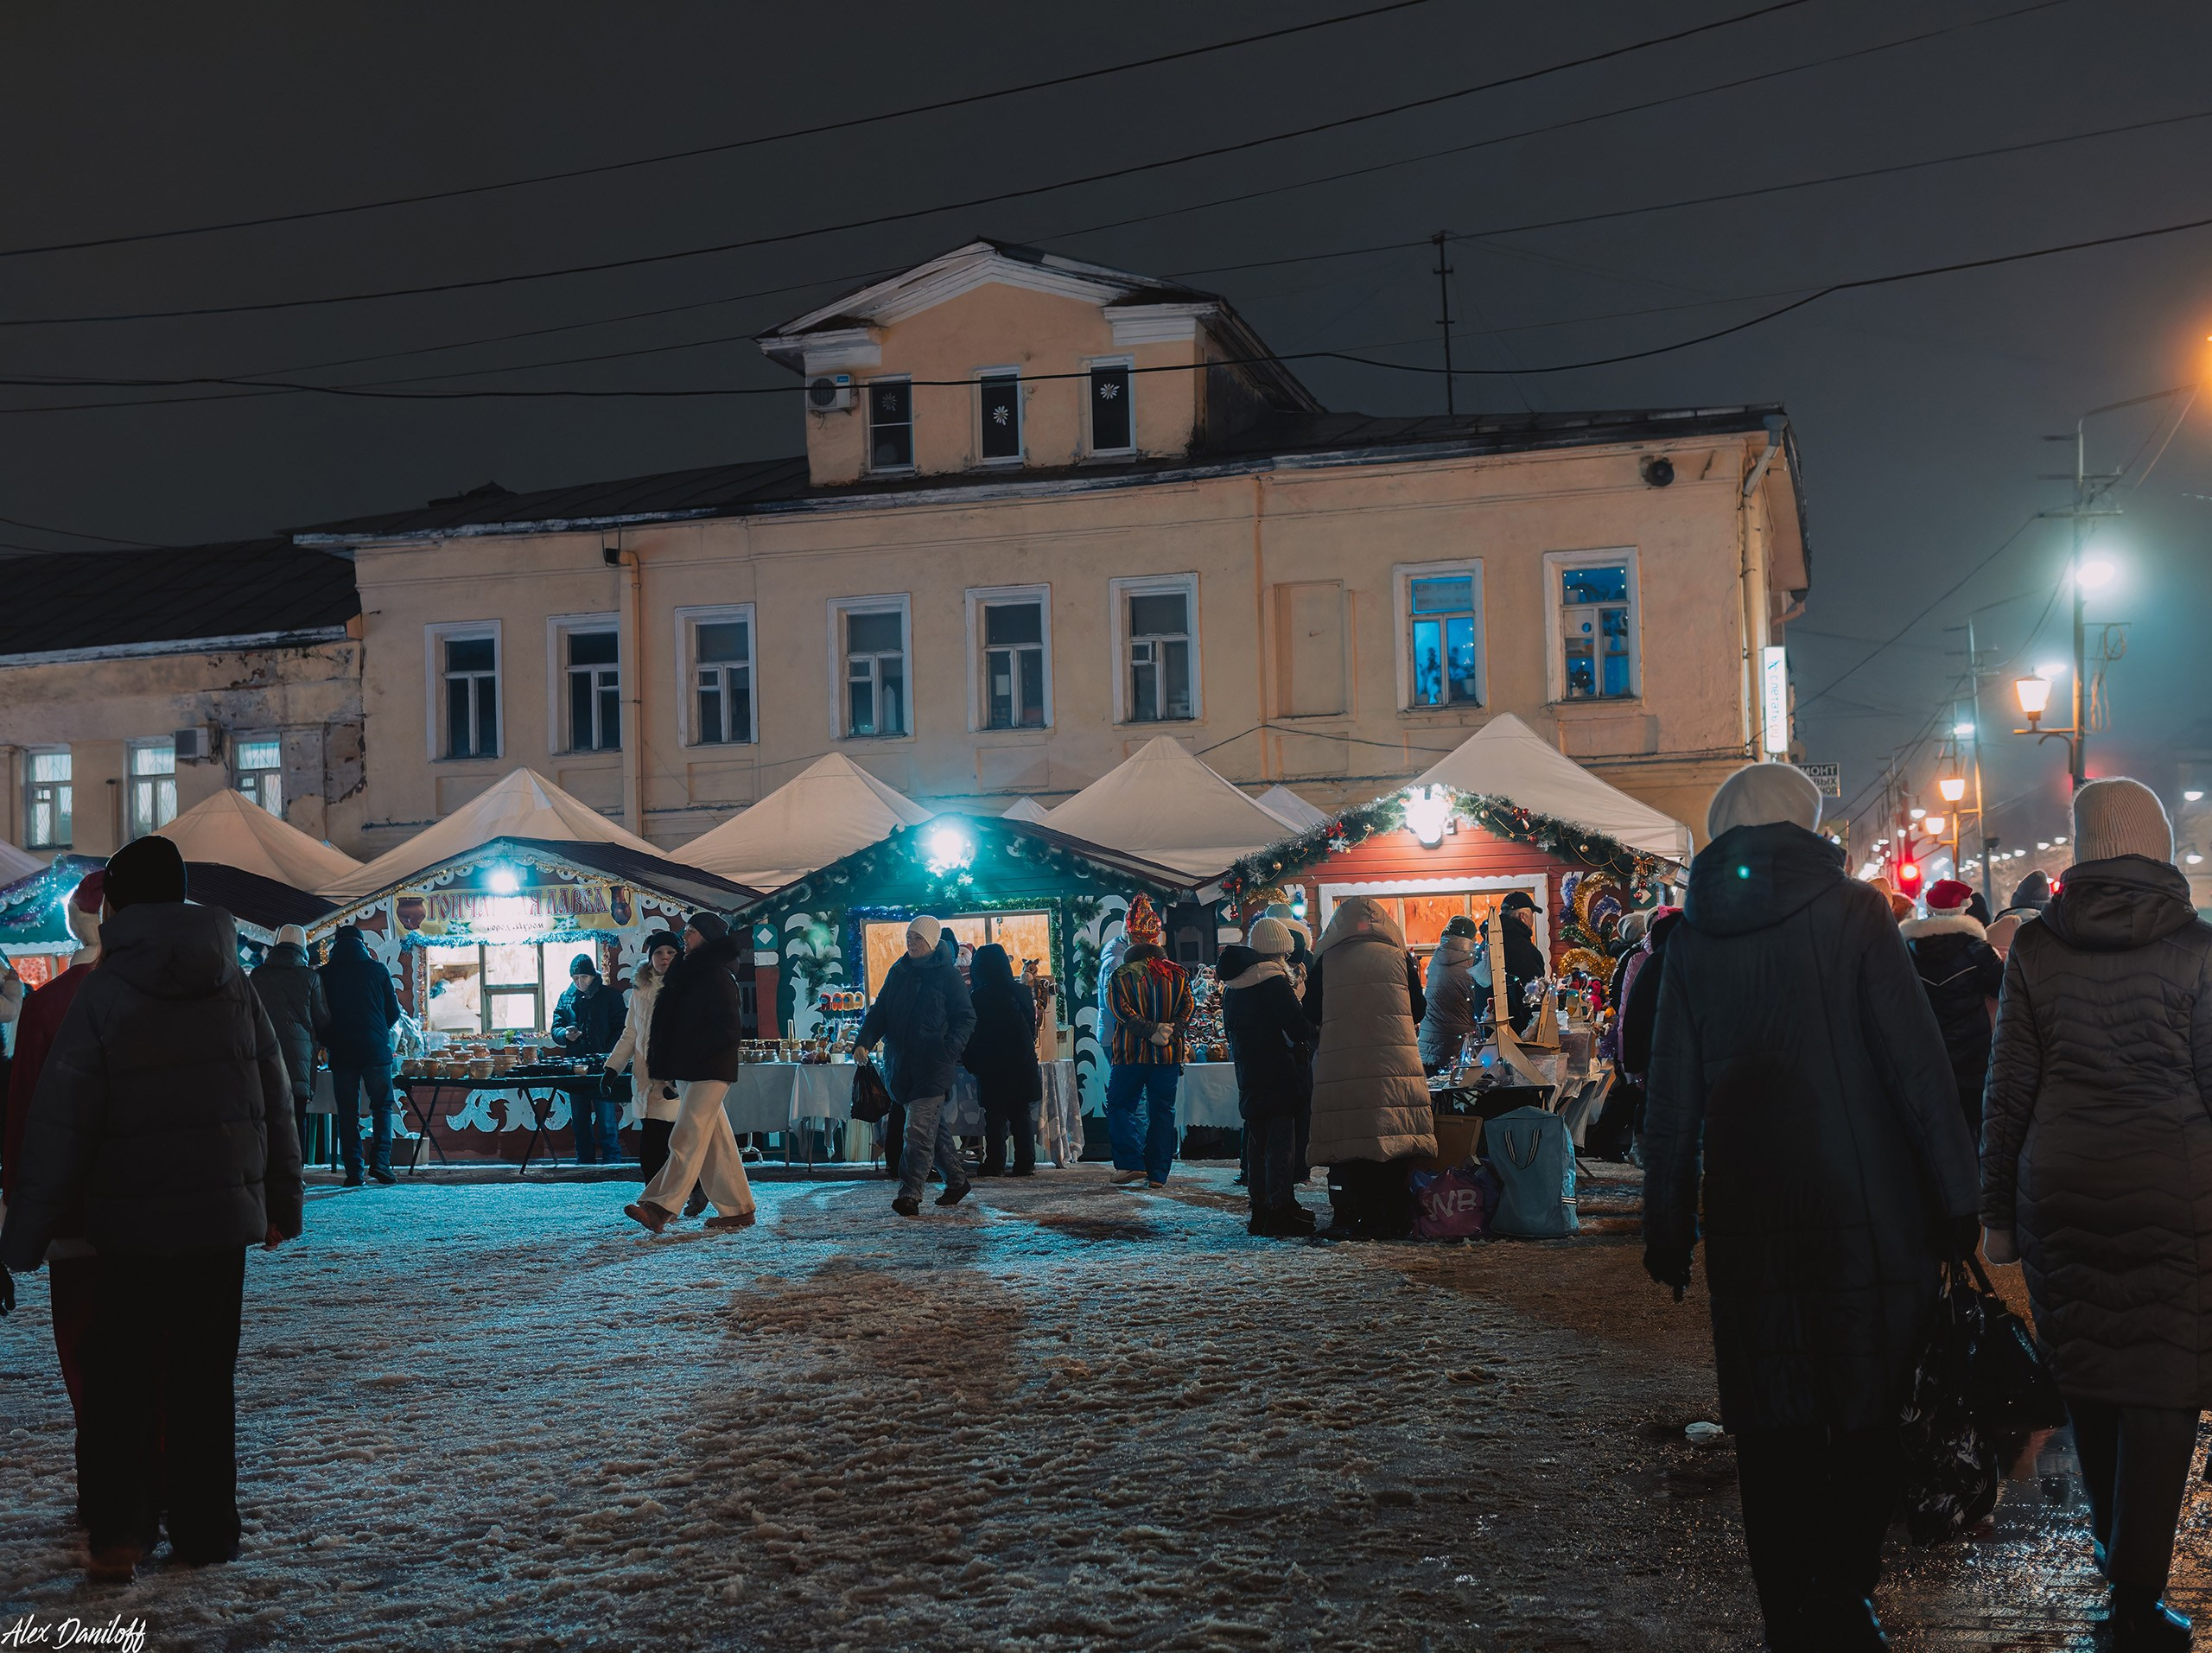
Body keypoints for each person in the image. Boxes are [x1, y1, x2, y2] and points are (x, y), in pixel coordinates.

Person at [1642, 762, 1978, 1651]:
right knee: (1864, 1401)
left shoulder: (1691, 938)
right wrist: (1955, 1194)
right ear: (1804, 822)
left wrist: (1668, 1224)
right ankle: (1843, 1591)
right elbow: (1917, 1069)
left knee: (1769, 1412)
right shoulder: (1855, 915)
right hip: (1863, 1205)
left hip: (1748, 1214)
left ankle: (1790, 1608)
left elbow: (1669, 1098)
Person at [0, 836, 302, 1583]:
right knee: (204, 1377)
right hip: (216, 1229)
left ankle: (122, 1532)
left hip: (128, 1226)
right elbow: (275, 1094)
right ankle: (204, 1530)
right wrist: (282, 1202)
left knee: (122, 1381)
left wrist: (24, 1232)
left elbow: (63, 1116)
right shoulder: (231, 977)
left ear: (119, 907)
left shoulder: (103, 991)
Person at [1981, 779, 2212, 1651]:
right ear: (2158, 845)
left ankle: (2120, 1571)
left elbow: (2008, 1092)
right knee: (2163, 1389)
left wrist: (1997, 1210)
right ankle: (2135, 1600)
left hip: (2061, 1194)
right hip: (2177, 1196)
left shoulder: (2037, 947)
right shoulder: (2198, 948)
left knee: (2093, 1382)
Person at [1, 868, 105, 1504]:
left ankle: (104, 1474)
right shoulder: (174, 991)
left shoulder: (48, 1004)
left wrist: (21, 1213)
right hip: (156, 1203)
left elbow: (24, 1124)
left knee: (83, 1341)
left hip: (75, 1205)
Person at [1305, 895, 1433, 1240]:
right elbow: (1418, 1011)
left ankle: (1350, 1213)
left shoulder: (1327, 961)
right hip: (1394, 1062)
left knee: (1348, 1135)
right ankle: (1392, 1215)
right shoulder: (1399, 959)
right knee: (1392, 1135)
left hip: (1342, 1061)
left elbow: (1310, 1012)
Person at [624, 913, 755, 1233]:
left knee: (686, 1135)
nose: (685, 936)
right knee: (715, 1142)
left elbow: (726, 1030)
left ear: (707, 936)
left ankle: (659, 1206)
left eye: (692, 932)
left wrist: (691, 1059)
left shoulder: (716, 976)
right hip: (691, 1067)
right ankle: (738, 1209)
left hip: (708, 1068)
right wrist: (671, 1065)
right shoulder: (688, 973)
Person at [855, 915, 976, 1218]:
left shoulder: (947, 975)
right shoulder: (898, 971)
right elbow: (880, 1011)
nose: (911, 943)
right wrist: (864, 1041)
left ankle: (910, 1193)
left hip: (933, 1066)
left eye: (918, 938)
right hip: (902, 1066)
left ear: (932, 942)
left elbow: (965, 1017)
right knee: (932, 1132)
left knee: (918, 1131)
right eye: (909, 937)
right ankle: (957, 1181)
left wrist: (948, 1050)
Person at [1219, 918, 1318, 1237]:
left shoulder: (1233, 986)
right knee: (1281, 1143)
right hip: (1279, 1069)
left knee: (1258, 1139)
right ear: (1281, 951)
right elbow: (1297, 1026)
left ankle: (1260, 1208)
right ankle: (1280, 1207)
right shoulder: (1273, 981)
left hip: (1249, 1071)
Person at [1900, 878, 2005, 1135]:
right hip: (1973, 1055)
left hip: (1924, 1053)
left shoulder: (1906, 950)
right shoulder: (1978, 950)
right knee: (1974, 1126)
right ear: (1963, 909)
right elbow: (2002, 990)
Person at [1103, 895, 1193, 1192]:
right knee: (1162, 1112)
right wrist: (1170, 1032)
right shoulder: (1178, 974)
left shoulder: (1121, 974)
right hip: (1168, 1056)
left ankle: (1131, 1162)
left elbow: (1120, 1010)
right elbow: (1188, 1008)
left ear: (1130, 937)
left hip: (1130, 1054)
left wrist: (1148, 1030)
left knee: (1119, 1105)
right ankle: (1158, 1174)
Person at [607, 931, 701, 1206]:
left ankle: (674, 1195)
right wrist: (612, 1068)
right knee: (653, 1143)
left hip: (674, 1078)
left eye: (671, 953)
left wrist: (678, 1071)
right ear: (651, 957)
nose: (665, 958)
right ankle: (659, 1200)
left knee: (673, 1142)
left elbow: (692, 1033)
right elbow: (630, 1033)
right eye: (659, 953)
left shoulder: (686, 987)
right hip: (646, 1078)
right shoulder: (640, 989)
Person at [318, 924, 401, 1186]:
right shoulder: (378, 970)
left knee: (347, 1112)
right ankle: (382, 1165)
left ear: (336, 945)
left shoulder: (325, 974)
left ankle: (354, 1171)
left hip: (342, 1051)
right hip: (375, 1050)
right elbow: (394, 1013)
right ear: (363, 944)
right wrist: (376, 1032)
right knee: (382, 1107)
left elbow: (320, 1015)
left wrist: (329, 1040)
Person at [251, 923, 329, 1167]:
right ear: (303, 947)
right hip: (299, 1056)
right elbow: (322, 1019)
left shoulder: (258, 975)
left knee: (265, 1115)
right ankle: (295, 1171)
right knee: (296, 1118)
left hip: (264, 1053)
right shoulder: (310, 977)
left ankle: (265, 1167)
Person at [963, 943, 1041, 1178]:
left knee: (995, 1116)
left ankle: (995, 1163)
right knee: (1021, 1113)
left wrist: (971, 1061)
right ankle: (1025, 1163)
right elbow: (1031, 1027)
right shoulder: (1022, 992)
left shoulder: (978, 996)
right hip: (1022, 1060)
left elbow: (973, 1033)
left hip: (992, 1063)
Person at [552, 952, 626, 1164]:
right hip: (576, 1066)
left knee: (607, 1120)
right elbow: (556, 1028)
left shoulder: (609, 996)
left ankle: (612, 1162)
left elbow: (621, 1029)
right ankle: (583, 1162)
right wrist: (566, 1035)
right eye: (575, 979)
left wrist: (608, 1053)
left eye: (583, 978)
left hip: (603, 1066)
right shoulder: (567, 997)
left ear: (593, 975)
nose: (579, 982)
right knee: (579, 1120)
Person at [1416, 914, 1483, 1074]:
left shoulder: (1436, 959)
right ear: (1472, 937)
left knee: (1438, 1097)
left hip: (1428, 1047)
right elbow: (1478, 1004)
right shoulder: (1474, 962)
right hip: (1457, 1050)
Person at [1495, 891, 1548, 1033]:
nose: (1532, 922)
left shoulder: (1491, 941)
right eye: (1532, 916)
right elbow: (1533, 993)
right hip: (1518, 1032)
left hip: (1492, 1027)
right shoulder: (1521, 947)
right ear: (1522, 916)